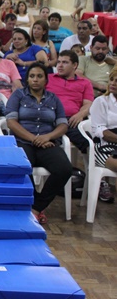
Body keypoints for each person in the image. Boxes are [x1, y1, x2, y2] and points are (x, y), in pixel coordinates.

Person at [5, 62, 72, 224]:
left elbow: (63, 124)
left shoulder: (53, 99)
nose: (35, 79)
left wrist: (47, 137)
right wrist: (34, 138)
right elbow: (11, 122)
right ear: (27, 79)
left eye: (39, 76)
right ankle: (32, 206)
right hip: (23, 141)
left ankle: (36, 207)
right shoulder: (19, 95)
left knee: (64, 169)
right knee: (23, 167)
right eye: (32, 76)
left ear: (45, 80)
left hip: (47, 142)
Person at [46, 50, 93, 154]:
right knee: (50, 144)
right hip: (50, 118)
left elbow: (88, 104)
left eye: (65, 62)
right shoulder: (48, 78)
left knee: (89, 143)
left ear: (75, 65)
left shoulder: (85, 83)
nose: (60, 66)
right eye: (58, 62)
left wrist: (80, 114)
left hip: (72, 120)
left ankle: (90, 168)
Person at [89, 67, 117, 202]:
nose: (113, 83)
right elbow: (100, 131)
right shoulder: (101, 102)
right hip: (104, 147)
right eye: (111, 79)